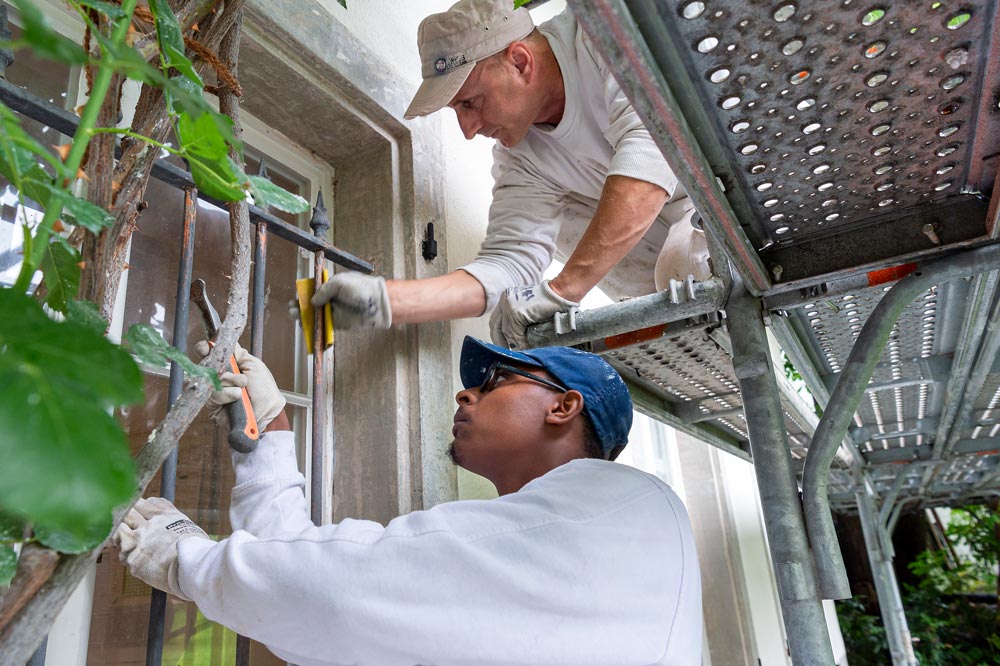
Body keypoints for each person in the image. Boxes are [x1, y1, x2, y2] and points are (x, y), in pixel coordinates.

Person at [114, 337, 702, 665]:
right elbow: (330, 606)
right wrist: (268, 432)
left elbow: (336, 593)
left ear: (563, 407)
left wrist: (186, 561)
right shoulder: (604, 534)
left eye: (496, 381)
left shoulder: (619, 501)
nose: (466, 391)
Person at [311, 0, 711, 349]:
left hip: (720, 207)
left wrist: (563, 290)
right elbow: (508, 262)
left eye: (470, 102)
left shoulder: (601, 32)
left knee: (683, 260)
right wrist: (386, 301)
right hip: (667, 278)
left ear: (519, 62)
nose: (468, 130)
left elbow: (653, 145)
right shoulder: (519, 156)